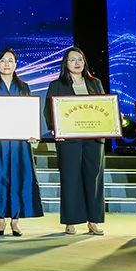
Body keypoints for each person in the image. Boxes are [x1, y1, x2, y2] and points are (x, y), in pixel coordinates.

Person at [0, 48, 43, 236]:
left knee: (18, 178)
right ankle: (0, 220)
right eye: (3, 60)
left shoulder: (23, 87)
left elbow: (30, 114)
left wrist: (32, 133)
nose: (7, 64)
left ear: (16, 64)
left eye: (10, 60)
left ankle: (15, 220)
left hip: (19, 142)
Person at [45, 47, 106, 235]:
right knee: (70, 178)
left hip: (94, 139)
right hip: (69, 140)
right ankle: (71, 221)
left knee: (93, 179)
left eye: (80, 59)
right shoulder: (57, 84)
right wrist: (56, 129)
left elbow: (105, 107)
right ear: (66, 63)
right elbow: (49, 111)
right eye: (72, 59)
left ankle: (93, 221)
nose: (77, 63)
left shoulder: (95, 83)